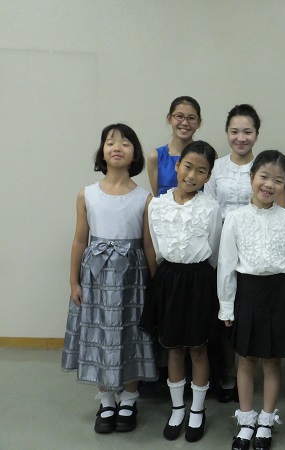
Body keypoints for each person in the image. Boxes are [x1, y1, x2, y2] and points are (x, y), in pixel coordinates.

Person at [62, 123, 158, 434]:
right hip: (95, 277)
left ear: (135, 154)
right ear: (102, 151)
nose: (117, 147)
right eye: (110, 142)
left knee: (129, 334)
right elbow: (80, 240)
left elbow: (147, 244)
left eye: (126, 143)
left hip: (132, 279)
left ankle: (129, 398)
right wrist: (74, 281)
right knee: (101, 334)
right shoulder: (86, 194)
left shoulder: (144, 198)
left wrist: (155, 285)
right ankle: (106, 400)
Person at [217, 150, 285, 450]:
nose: (269, 184)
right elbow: (227, 265)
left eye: (278, 180)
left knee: (271, 361)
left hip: (278, 295)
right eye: (264, 177)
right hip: (248, 294)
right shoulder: (235, 218)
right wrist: (226, 304)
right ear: (252, 177)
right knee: (245, 359)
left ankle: (266, 420)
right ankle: (245, 420)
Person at [139, 141, 221, 442]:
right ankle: (177, 409)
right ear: (176, 166)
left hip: (200, 279)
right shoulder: (157, 205)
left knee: (198, 347)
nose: (192, 175)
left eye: (201, 171)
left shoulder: (211, 208)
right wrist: (158, 278)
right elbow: (154, 247)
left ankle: (197, 410)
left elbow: (213, 250)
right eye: (188, 166)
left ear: (208, 177)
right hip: (168, 278)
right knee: (172, 346)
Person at [204, 104, 260, 403]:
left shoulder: (263, 167)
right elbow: (210, 210)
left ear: (257, 135)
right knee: (225, 315)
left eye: (247, 132)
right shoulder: (215, 167)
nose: (241, 138)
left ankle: (248, 373)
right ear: (227, 133)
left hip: (255, 251)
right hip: (221, 248)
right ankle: (228, 373)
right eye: (235, 131)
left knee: (249, 316)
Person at [147, 96, 202, 196]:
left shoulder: (205, 155)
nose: (185, 123)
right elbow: (157, 196)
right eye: (179, 116)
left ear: (198, 123)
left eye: (191, 118)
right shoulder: (156, 156)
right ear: (169, 119)